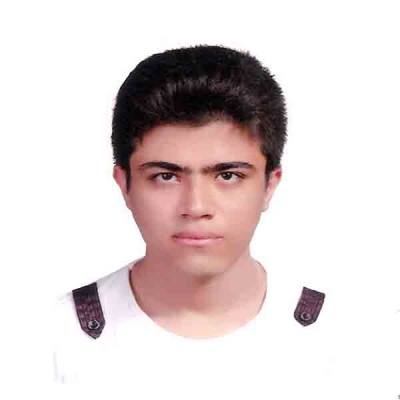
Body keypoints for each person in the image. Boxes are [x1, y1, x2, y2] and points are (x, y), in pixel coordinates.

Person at [52, 44, 393, 398]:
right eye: (166, 176)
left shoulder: (358, 345)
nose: (196, 206)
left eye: (228, 176)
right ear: (124, 185)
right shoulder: (49, 342)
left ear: (269, 185)